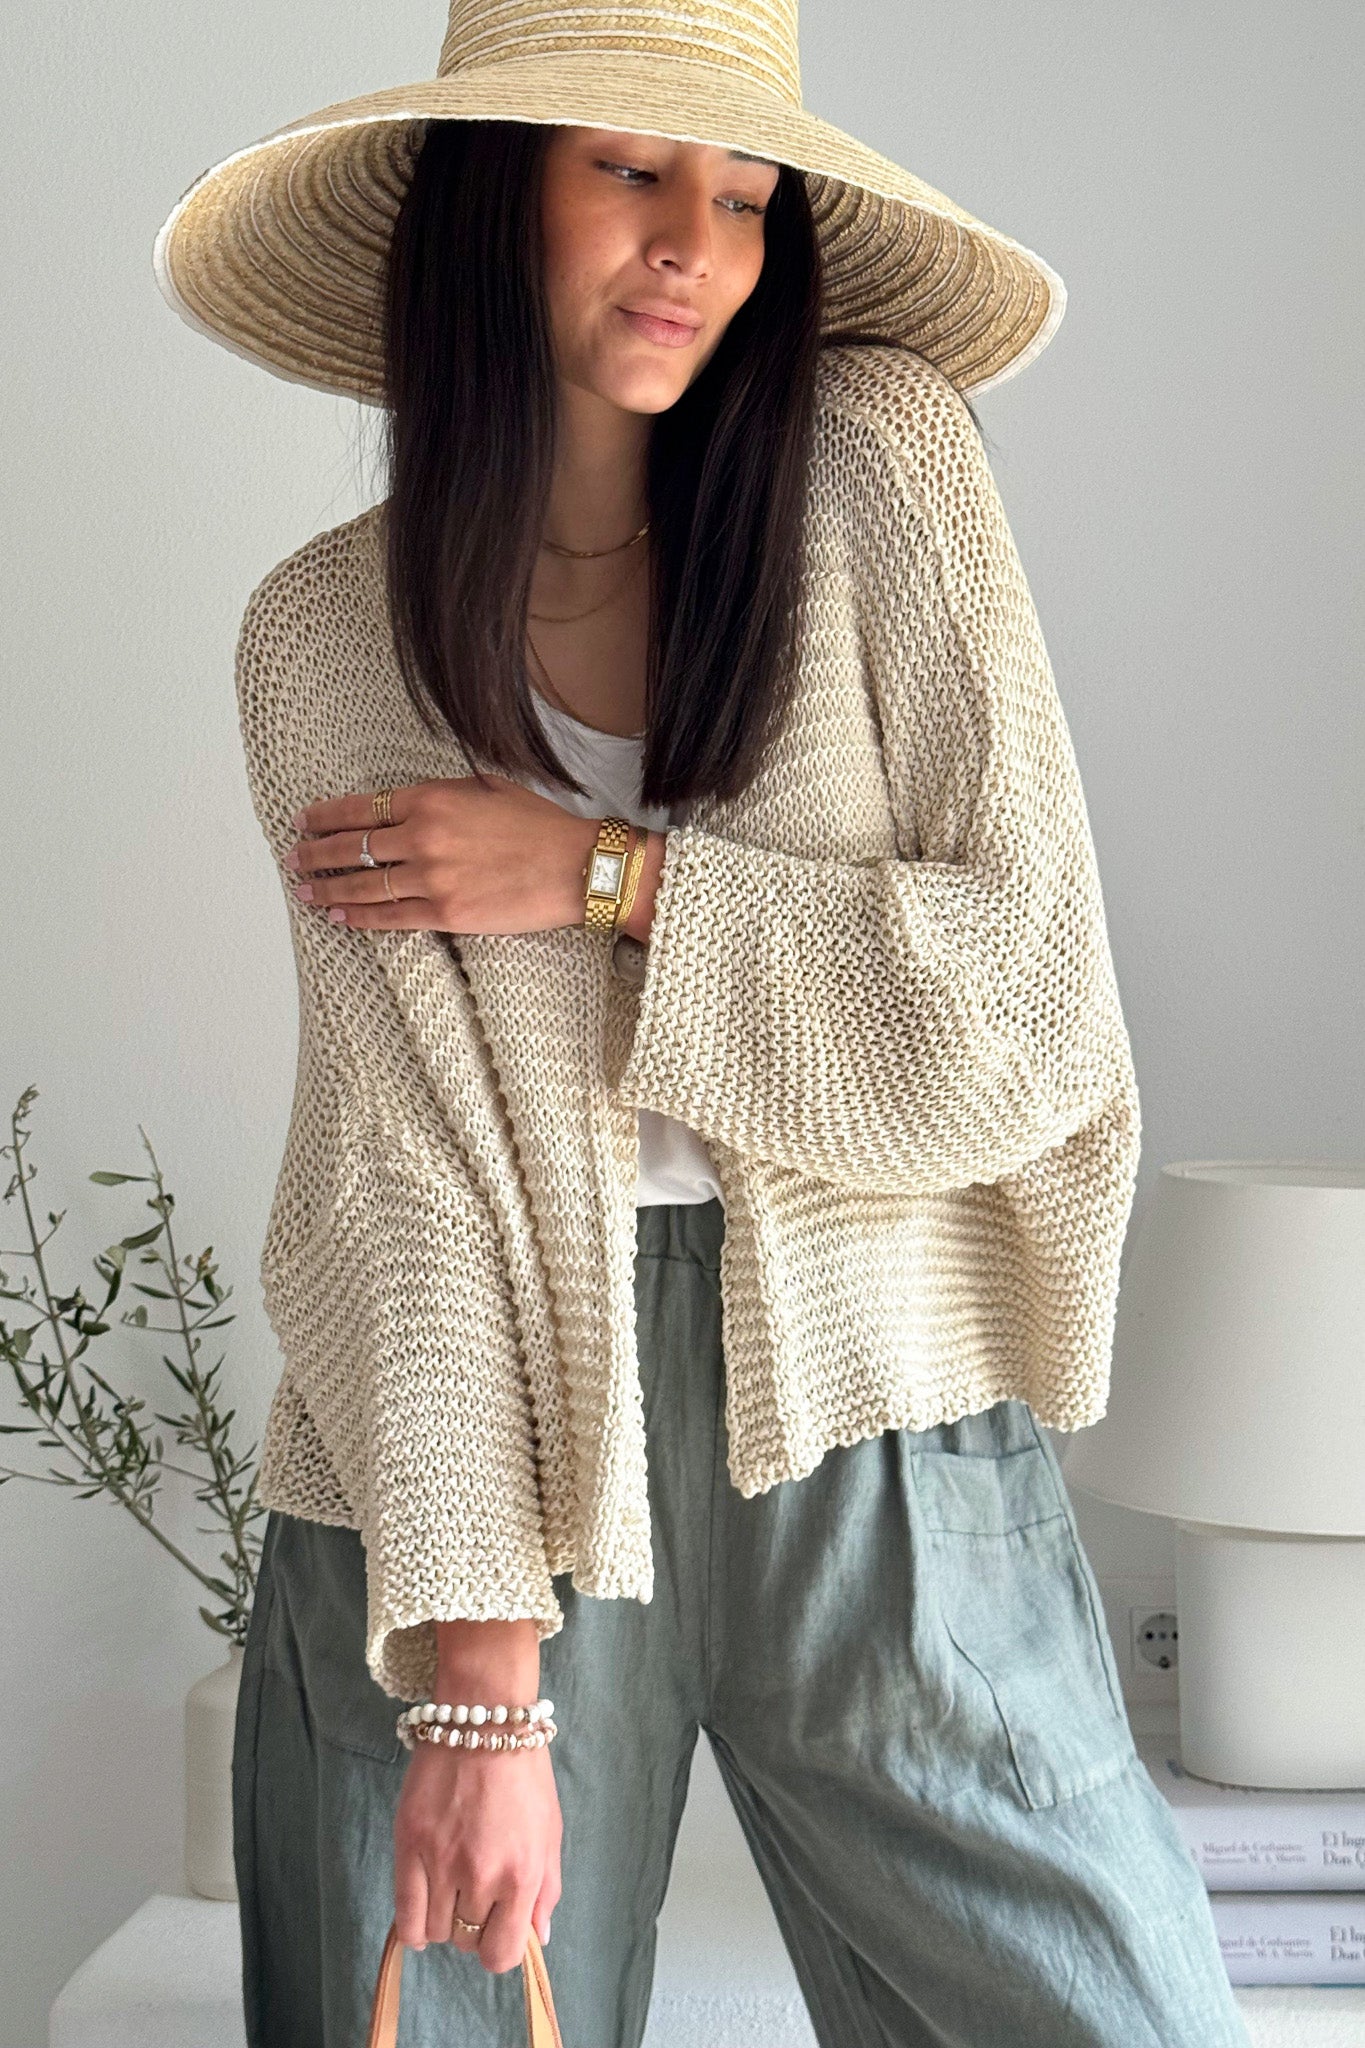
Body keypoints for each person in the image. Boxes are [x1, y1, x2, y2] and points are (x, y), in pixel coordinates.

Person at [153, 5, 1254, 2044]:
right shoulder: (320, 634)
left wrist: (604, 876)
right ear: (487, 199)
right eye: (627, 170)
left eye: (742, 196)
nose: (692, 244)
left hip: (879, 1420)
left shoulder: (879, 472)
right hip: (473, 1464)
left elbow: (1023, 1021)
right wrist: (479, 1690)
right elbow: (401, 1173)